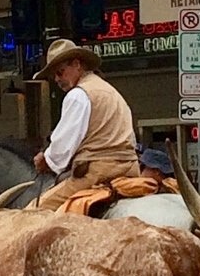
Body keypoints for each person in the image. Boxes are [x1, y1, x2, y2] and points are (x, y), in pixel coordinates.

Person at [33, 39, 136, 199]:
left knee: (37, 210)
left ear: (77, 64)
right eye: (54, 75)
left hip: (97, 173)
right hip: (131, 170)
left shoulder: (78, 95)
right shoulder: (112, 92)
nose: (57, 79)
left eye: (60, 72)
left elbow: (63, 147)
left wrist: (46, 160)